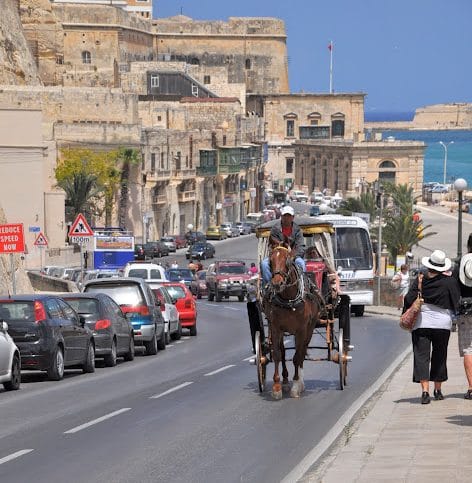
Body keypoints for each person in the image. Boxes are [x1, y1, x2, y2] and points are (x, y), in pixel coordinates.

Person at [403, 249, 460, 404]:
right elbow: (456, 303)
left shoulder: (420, 280)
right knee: (440, 356)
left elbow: (408, 299)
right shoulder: (450, 282)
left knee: (422, 356)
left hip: (422, 323)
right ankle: (438, 390)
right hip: (443, 324)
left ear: (429, 265)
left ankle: (425, 392)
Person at [261, 205, 306, 285]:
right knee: (264, 264)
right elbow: (272, 244)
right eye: (285, 216)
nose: (287, 218)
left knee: (301, 263)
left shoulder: (297, 230)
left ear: (293, 217)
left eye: (289, 216)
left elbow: (301, 247)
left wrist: (293, 255)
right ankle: (268, 286)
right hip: (278, 256)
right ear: (281, 216)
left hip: (293, 256)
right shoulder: (275, 229)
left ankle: (302, 285)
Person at [453, 233, 472, 399]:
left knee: (468, 350)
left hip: (465, 311)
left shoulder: (460, 264)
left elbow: (453, 289)